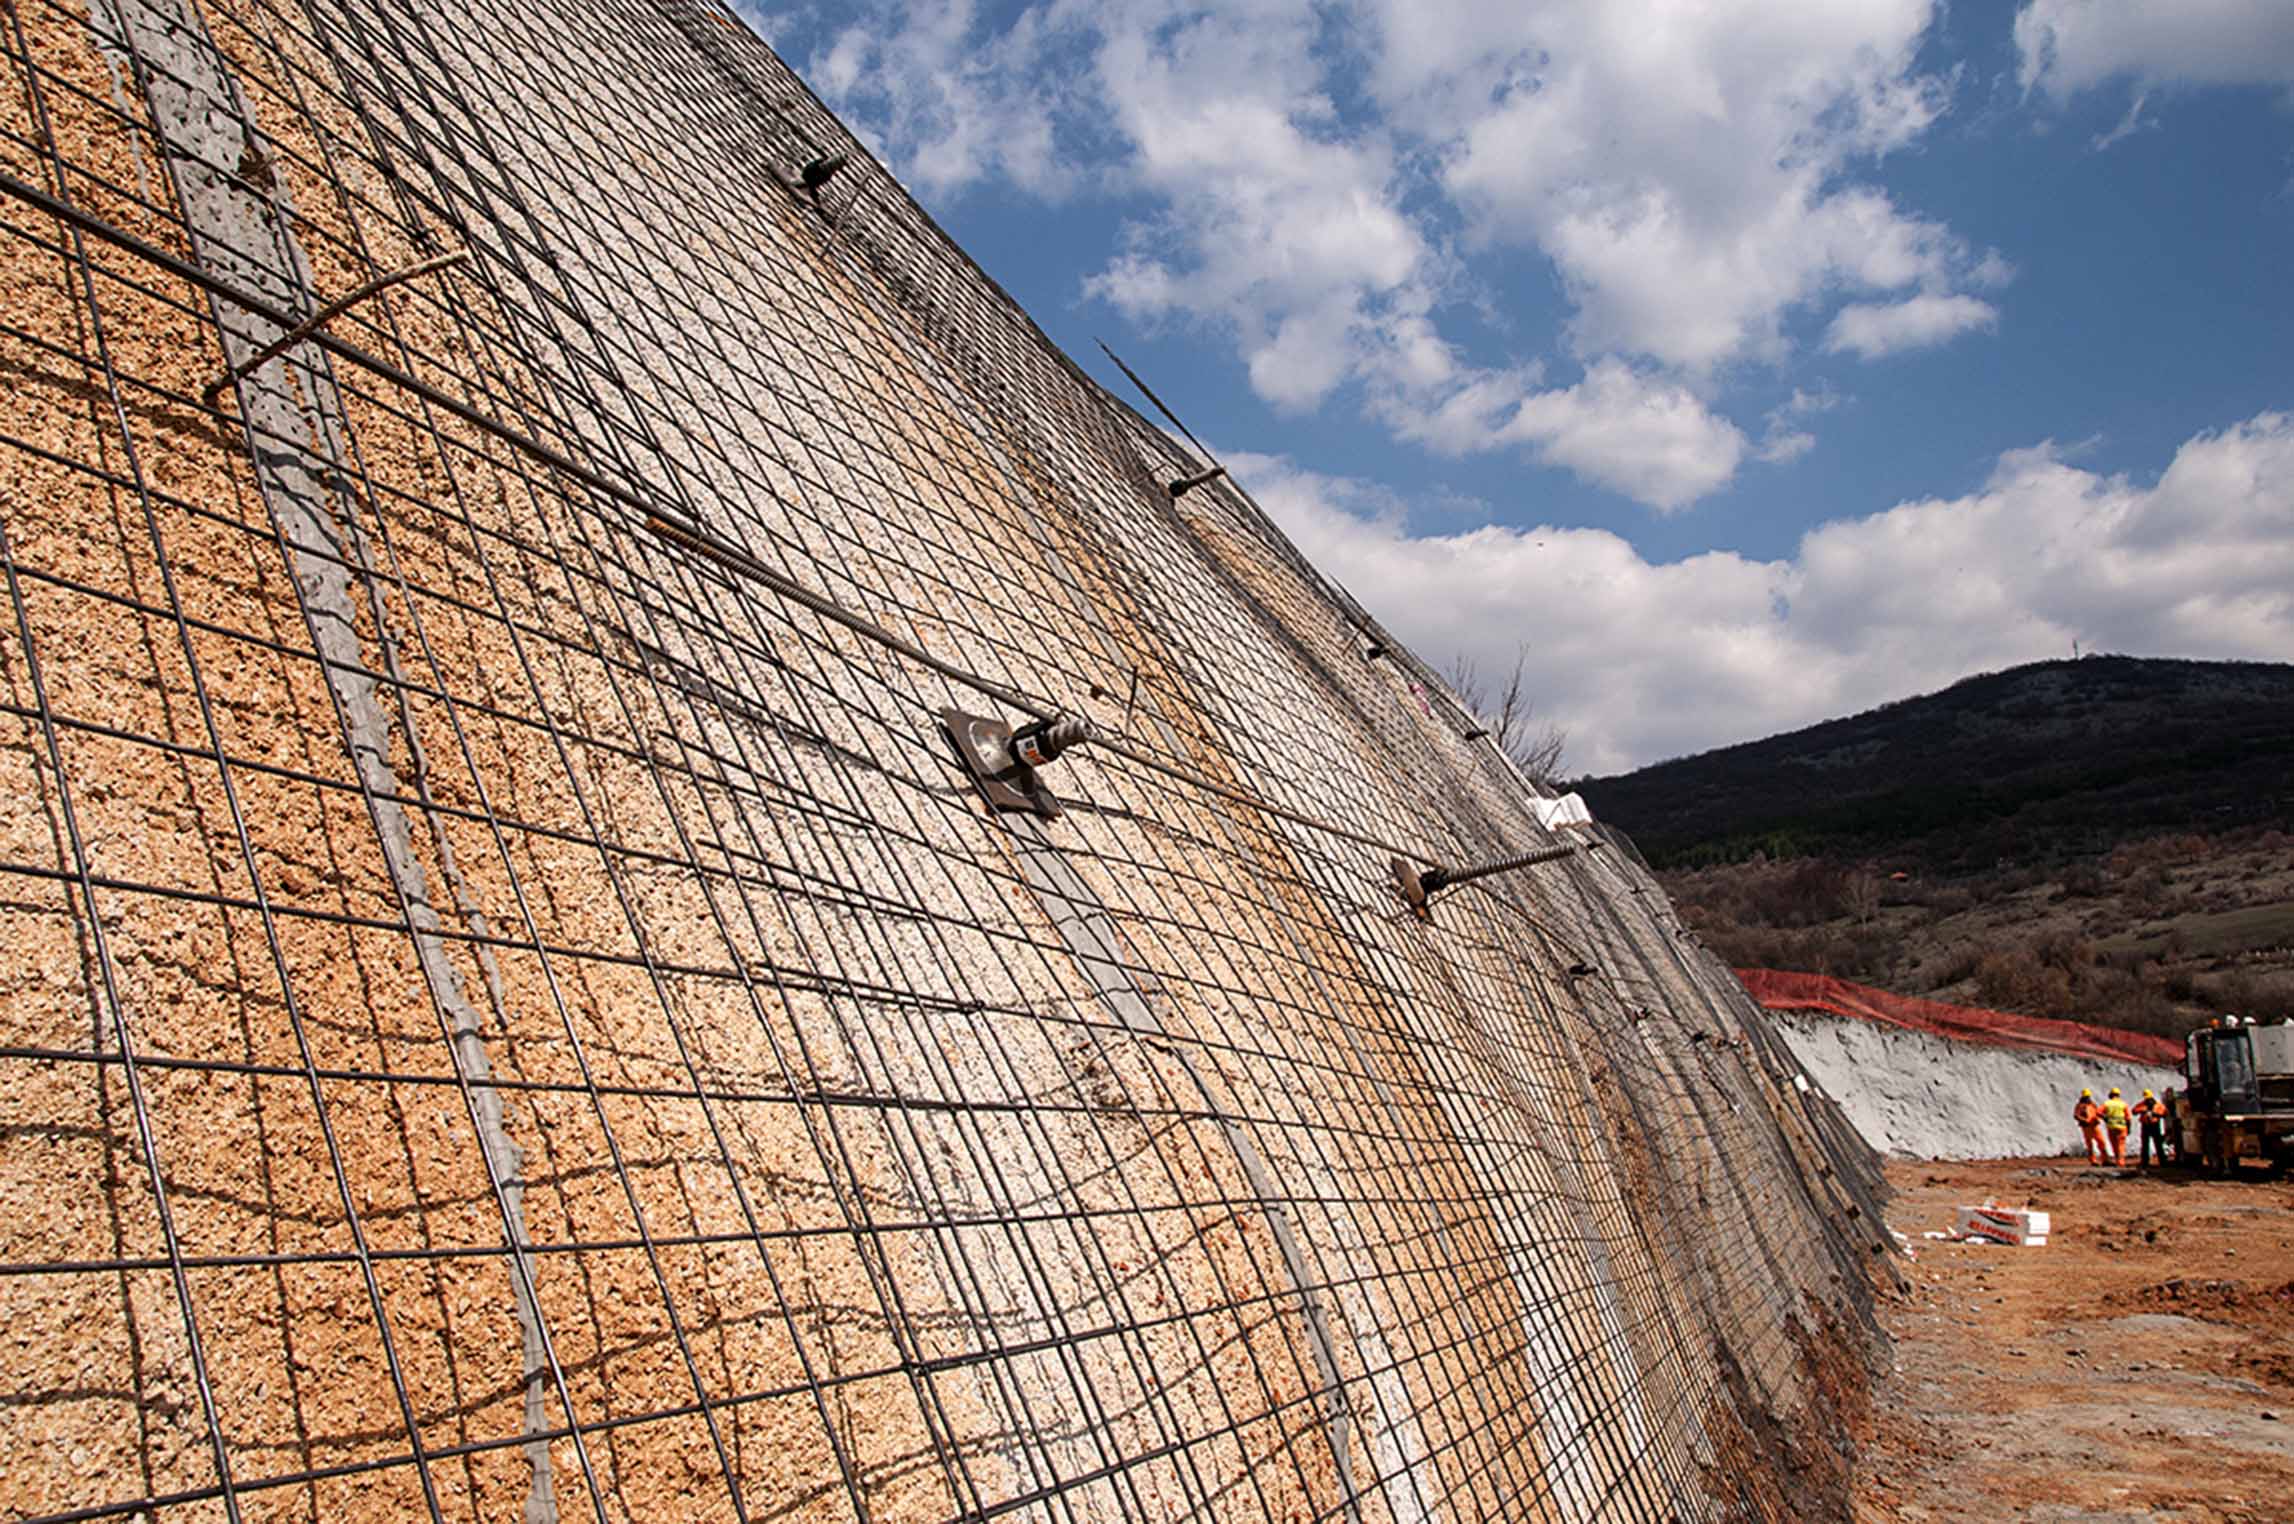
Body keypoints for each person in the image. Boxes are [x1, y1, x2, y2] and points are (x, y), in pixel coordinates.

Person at [2131, 1088, 2169, 1167]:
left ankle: (2162, 1161)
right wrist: (2142, 1111)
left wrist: (2155, 1114)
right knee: (2145, 1144)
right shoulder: (2142, 1104)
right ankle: (2145, 1161)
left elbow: (2165, 1114)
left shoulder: (2158, 1105)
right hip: (2145, 1126)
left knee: (2158, 1144)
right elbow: (2134, 1111)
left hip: (2155, 1125)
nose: (2147, 1101)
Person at [2073, 1089, 2105, 1165]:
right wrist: (2083, 1120)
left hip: (2094, 1125)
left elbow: (2097, 1112)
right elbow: (2076, 1115)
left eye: (2088, 1097)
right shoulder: (2080, 1106)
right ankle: (2092, 1160)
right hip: (2086, 1127)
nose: (2087, 1098)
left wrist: (2102, 1116)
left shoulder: (2092, 1104)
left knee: (2101, 1142)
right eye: (2086, 1097)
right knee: (2090, 1144)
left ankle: (2105, 1159)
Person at [2102, 1087, 2131, 1168]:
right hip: (2122, 1127)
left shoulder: (2107, 1103)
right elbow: (2128, 1118)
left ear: (2111, 1094)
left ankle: (2117, 1160)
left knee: (2114, 1144)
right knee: (2121, 1145)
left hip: (2111, 1127)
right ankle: (2121, 1162)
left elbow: (2098, 1112)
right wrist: (2129, 1128)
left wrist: (2105, 1118)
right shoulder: (2123, 1104)